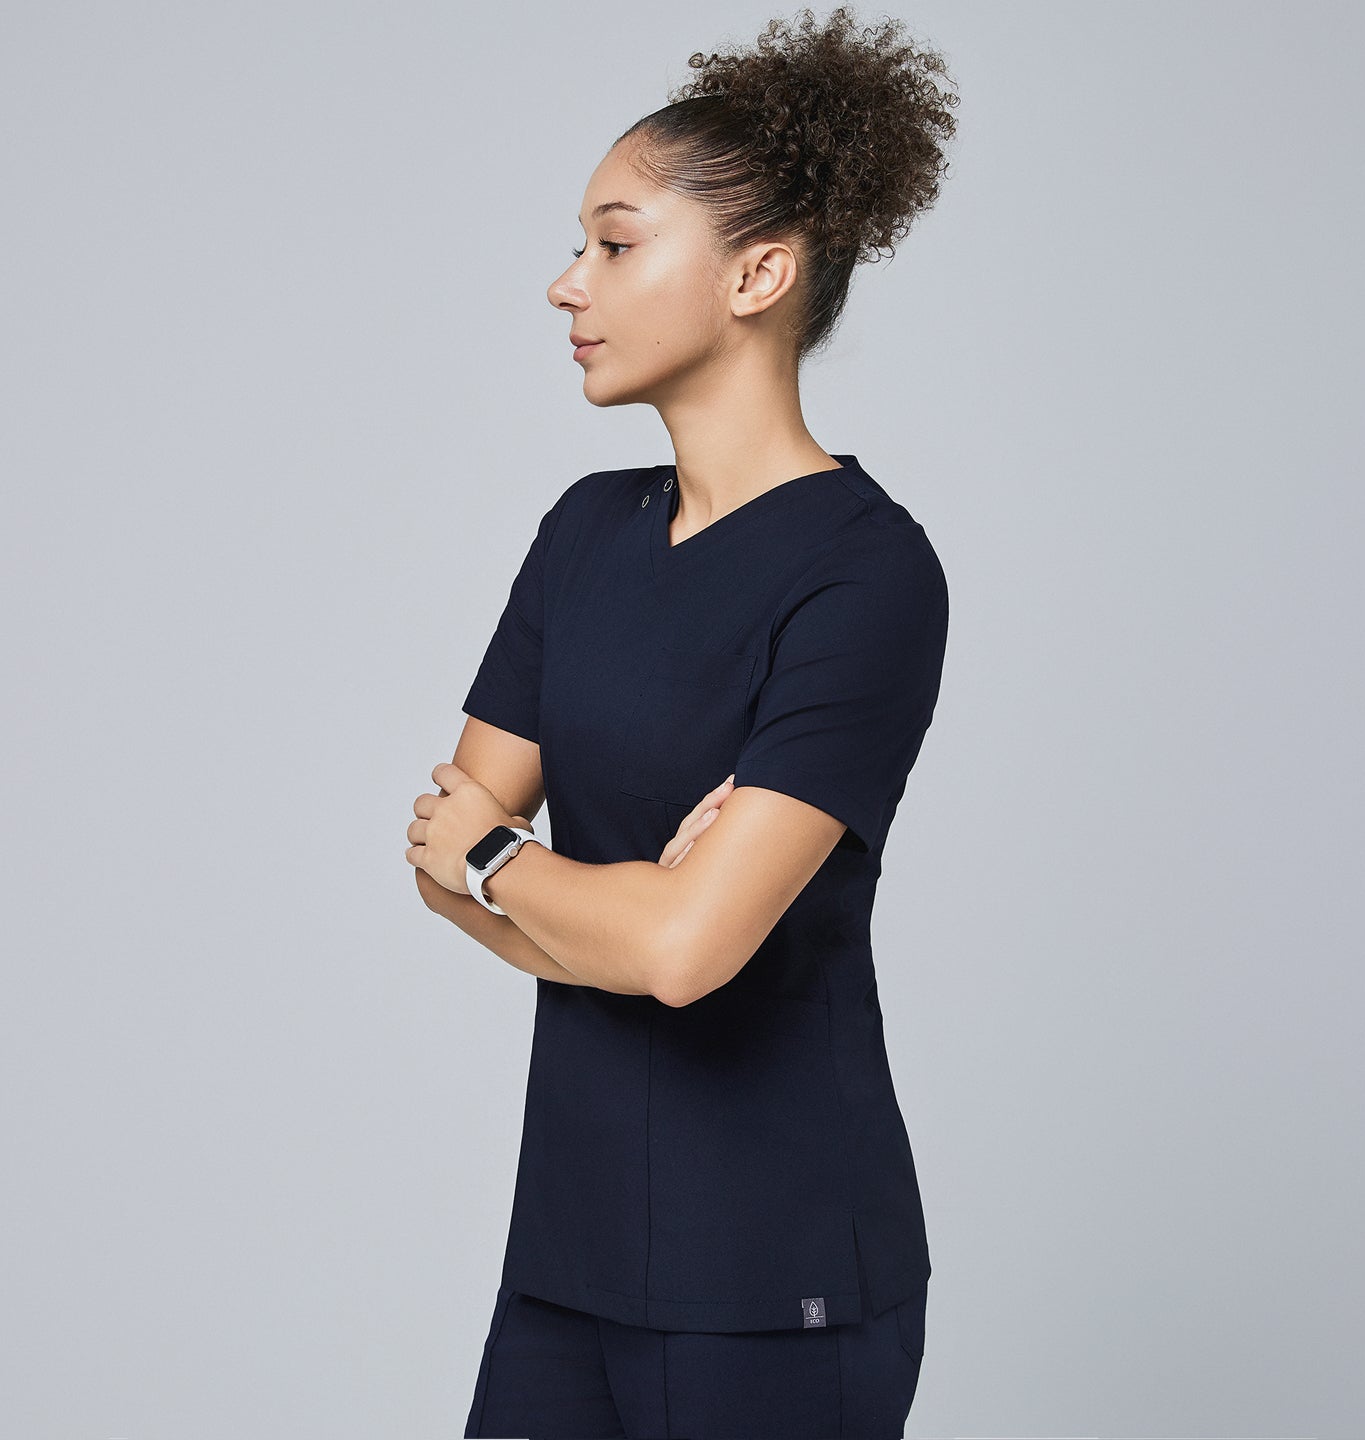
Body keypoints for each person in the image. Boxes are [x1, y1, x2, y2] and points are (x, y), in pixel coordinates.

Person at [405, 7, 960, 1435]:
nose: (564, 283)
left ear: (758, 274)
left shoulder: (865, 570)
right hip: (567, 1260)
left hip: (775, 1285)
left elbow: (685, 951)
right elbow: (441, 853)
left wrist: (531, 874)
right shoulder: (585, 532)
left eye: (614, 242)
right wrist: (620, 901)